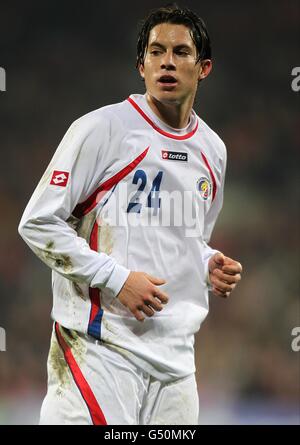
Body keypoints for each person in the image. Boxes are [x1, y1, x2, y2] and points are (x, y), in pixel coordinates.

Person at [18, 4, 242, 425]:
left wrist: (207, 262)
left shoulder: (213, 150)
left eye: (181, 52)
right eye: (156, 52)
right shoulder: (103, 129)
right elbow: (37, 222)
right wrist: (117, 278)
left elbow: (190, 239)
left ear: (204, 67)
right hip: (101, 349)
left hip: (176, 365)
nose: (167, 62)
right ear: (141, 66)